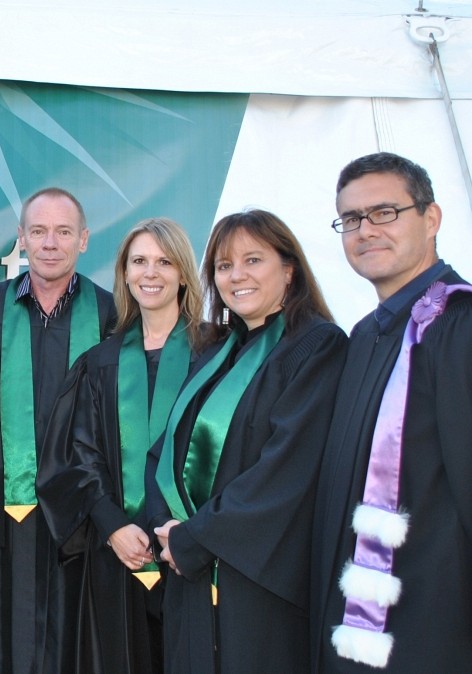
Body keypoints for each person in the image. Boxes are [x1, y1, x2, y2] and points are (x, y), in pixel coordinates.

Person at [145, 209, 346, 674]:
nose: (237, 276)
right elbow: (165, 452)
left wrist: (193, 539)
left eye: (253, 260)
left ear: (289, 269)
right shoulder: (217, 350)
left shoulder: (316, 347)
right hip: (191, 576)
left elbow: (286, 471)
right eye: (223, 266)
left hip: (257, 584)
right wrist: (166, 529)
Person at [311, 153, 472, 672]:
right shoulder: (364, 335)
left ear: (431, 219)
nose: (365, 230)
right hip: (358, 624)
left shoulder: (459, 326)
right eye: (352, 219)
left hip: (436, 623)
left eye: (384, 212)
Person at [36, 217, 204, 674]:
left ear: (184, 273)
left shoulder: (214, 352)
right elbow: (78, 454)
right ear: (125, 274)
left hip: (196, 549)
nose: (151, 273)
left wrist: (190, 532)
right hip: (118, 552)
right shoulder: (100, 362)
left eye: (164, 262)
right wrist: (112, 525)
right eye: (140, 262)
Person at [0, 187, 117, 674]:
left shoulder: (111, 313)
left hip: (82, 511)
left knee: (76, 636)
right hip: (9, 510)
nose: (51, 242)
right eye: (40, 231)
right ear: (23, 240)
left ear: (84, 240)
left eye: (64, 231)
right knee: (5, 639)